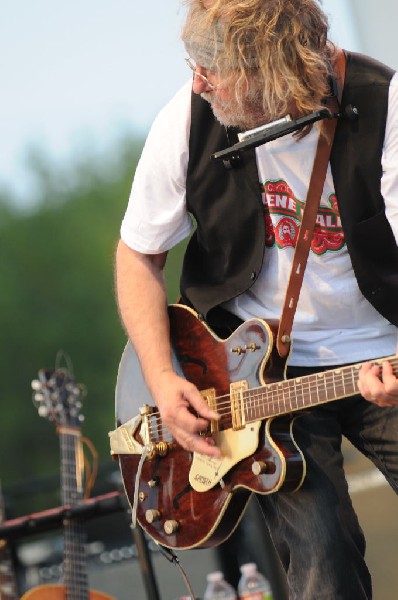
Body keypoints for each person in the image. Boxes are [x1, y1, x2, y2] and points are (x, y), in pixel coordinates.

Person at [115, 1, 398, 598]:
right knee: (322, 567)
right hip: (254, 376)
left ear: (271, 71)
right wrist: (163, 379)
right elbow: (137, 255)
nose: (198, 80)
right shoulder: (187, 119)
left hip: (384, 354)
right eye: (195, 64)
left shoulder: (384, 104)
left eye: (211, 67)